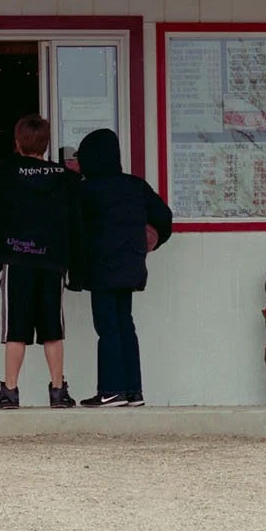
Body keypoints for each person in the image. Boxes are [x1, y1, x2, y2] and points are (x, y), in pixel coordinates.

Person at [0, 112, 77, 408]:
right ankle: (58, 391)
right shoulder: (65, 178)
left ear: (17, 142)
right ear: (45, 144)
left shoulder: (6, 172)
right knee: (52, 327)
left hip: (16, 257)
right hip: (53, 260)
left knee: (15, 328)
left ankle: (10, 390)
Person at [71, 126, 171, 407]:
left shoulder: (85, 190)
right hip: (130, 266)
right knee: (125, 324)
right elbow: (164, 218)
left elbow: (71, 227)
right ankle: (133, 390)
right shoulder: (135, 185)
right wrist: (150, 244)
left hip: (100, 267)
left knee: (107, 327)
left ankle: (111, 389)